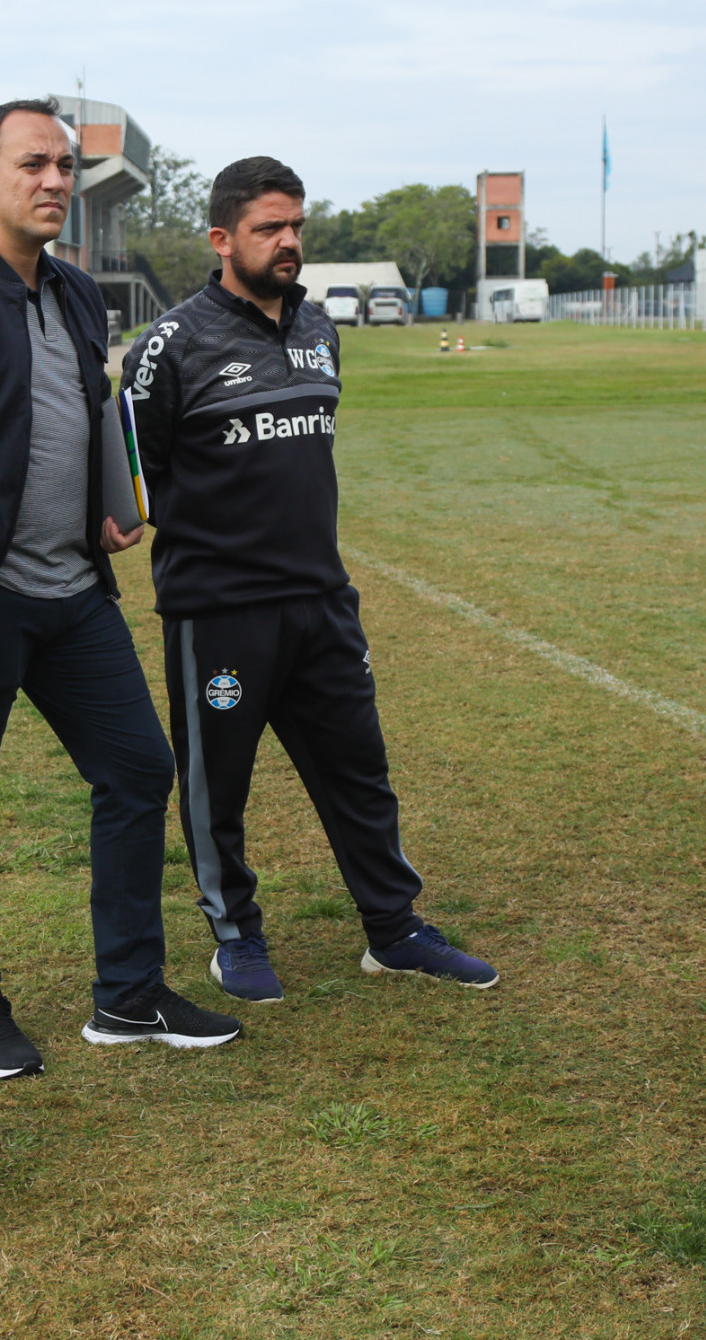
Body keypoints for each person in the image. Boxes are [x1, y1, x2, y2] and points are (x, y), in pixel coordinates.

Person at [0, 99, 240, 1072]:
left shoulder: (78, 293)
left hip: (73, 590)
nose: (54, 181)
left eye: (64, 164)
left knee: (137, 769)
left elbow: (91, 409)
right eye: (32, 164)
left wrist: (115, 496)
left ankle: (129, 996)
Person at [122, 156, 500, 1004]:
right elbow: (134, 479)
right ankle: (236, 937)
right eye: (268, 228)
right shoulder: (168, 348)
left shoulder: (319, 330)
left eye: (296, 226)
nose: (288, 241)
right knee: (220, 786)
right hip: (219, 612)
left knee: (359, 771)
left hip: (322, 602)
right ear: (222, 239)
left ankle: (394, 930)